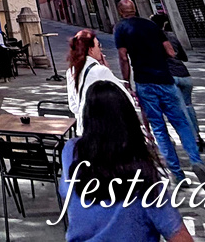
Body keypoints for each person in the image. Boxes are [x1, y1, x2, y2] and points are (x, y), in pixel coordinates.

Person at [58, 82, 195, 241]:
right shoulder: (143, 176)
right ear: (130, 121)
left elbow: (65, 191)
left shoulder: (71, 151)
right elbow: (177, 234)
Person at [114, 0, 205, 183]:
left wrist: (126, 81)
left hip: (144, 81)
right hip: (166, 80)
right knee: (181, 122)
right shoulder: (151, 25)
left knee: (159, 128)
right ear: (134, 9)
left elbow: (123, 57)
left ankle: (177, 173)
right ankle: (195, 160)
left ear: (120, 12)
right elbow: (171, 51)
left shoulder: (121, 28)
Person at [152, 15, 205, 152]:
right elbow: (183, 57)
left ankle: (193, 140)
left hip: (170, 77)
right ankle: (198, 136)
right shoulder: (171, 36)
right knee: (188, 106)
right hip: (184, 74)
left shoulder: (152, 39)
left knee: (179, 109)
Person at [66, 29, 133, 123]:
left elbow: (73, 106)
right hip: (103, 126)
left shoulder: (71, 71)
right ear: (91, 49)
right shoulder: (100, 71)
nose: (100, 49)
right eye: (98, 46)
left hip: (84, 126)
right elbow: (127, 100)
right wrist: (107, 69)